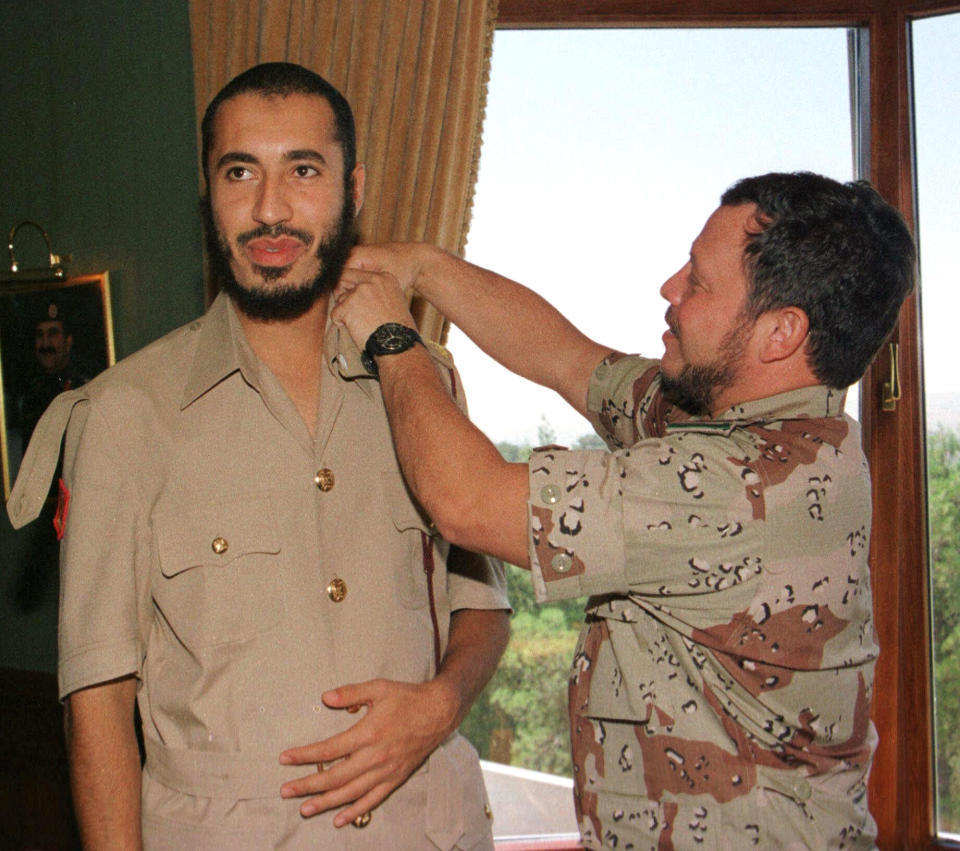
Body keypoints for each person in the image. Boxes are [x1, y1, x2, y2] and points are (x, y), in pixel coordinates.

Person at [330, 171, 916, 849]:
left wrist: (394, 339)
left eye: (698, 281)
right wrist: (423, 267)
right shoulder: (767, 430)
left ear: (780, 332)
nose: (671, 288)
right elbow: (565, 359)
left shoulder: (731, 487)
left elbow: (468, 501)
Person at [7, 62, 509, 850]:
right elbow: (96, 703)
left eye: (303, 170)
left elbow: (481, 603)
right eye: (240, 172)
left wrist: (441, 703)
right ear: (207, 193)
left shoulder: (422, 379)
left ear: (354, 186)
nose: (269, 208)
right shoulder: (123, 414)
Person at [18, 300, 90, 446]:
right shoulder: (30, 394)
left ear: (68, 342)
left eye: (52, 334)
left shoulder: (83, 389)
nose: (45, 344)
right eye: (40, 335)